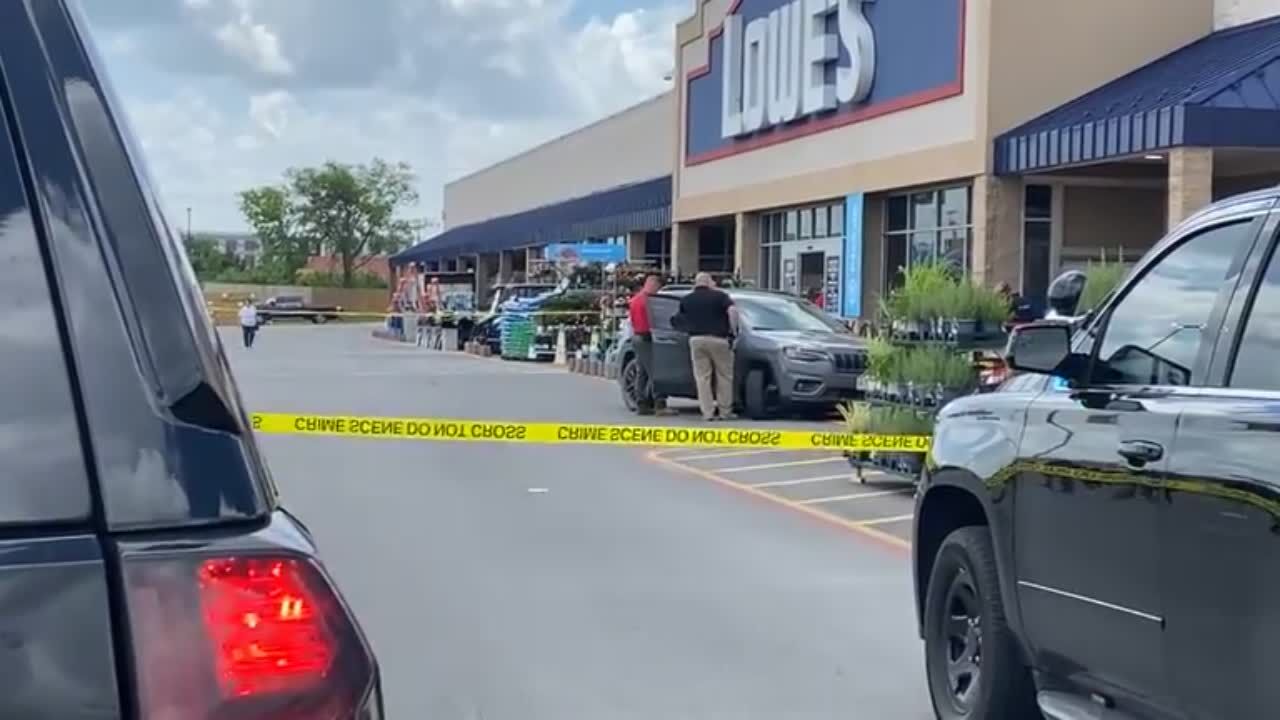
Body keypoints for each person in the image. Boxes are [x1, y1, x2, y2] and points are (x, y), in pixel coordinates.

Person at [677, 272, 739, 421]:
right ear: (709, 282)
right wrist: (733, 330)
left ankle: (707, 412)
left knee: (702, 377)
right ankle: (725, 412)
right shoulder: (720, 296)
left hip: (696, 339)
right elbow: (733, 310)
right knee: (724, 376)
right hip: (719, 339)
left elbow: (679, 319)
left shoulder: (686, 299)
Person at [628, 273, 673, 415]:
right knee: (656, 371)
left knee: (642, 372)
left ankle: (642, 403)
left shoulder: (635, 299)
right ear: (653, 284)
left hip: (637, 337)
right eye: (658, 287)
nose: (658, 290)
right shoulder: (649, 301)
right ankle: (660, 404)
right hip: (648, 337)